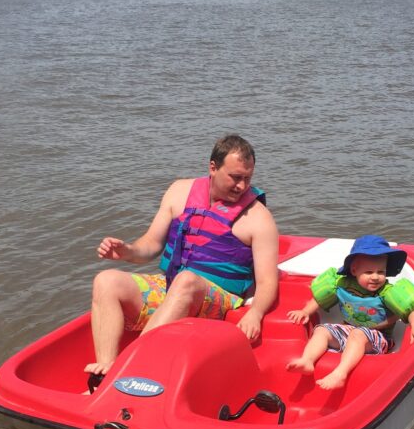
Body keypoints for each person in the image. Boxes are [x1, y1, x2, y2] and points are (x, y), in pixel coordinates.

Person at [84, 134, 279, 384]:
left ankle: (128, 371)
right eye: (235, 177)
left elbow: (267, 282)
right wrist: (127, 251)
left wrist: (256, 313)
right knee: (106, 280)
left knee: (186, 280)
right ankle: (104, 372)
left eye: (247, 178)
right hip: (173, 287)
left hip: (220, 299)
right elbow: (152, 244)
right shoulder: (179, 192)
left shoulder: (259, 218)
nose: (242, 186)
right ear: (212, 168)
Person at [285, 234, 414, 391]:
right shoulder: (341, 285)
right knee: (322, 330)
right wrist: (305, 311)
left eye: (381, 272)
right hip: (350, 330)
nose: (376, 277)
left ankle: (340, 374)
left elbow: (412, 309)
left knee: (358, 334)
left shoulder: (387, 292)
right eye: (369, 272)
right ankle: (307, 360)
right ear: (354, 270)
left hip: (379, 338)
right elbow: (320, 299)